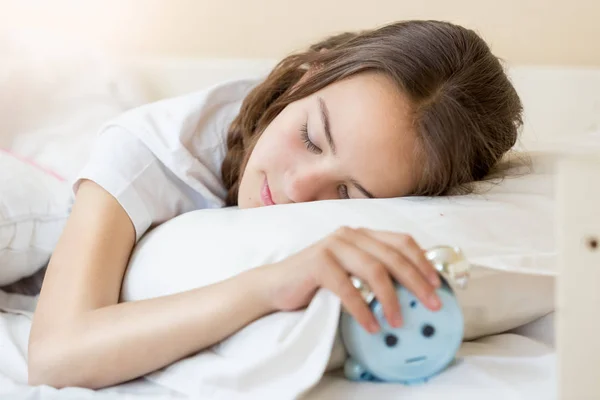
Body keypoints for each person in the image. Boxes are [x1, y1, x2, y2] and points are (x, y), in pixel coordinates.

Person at [28, 19, 523, 389]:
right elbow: (56, 354)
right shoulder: (149, 151)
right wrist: (268, 286)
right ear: (309, 75)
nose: (298, 188)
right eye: (311, 137)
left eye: (348, 194)